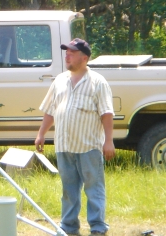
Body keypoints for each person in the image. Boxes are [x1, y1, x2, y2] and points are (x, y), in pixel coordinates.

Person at [35, 38, 115, 236]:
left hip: (88, 146)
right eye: (66, 52)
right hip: (64, 145)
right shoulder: (59, 80)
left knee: (93, 187)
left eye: (72, 53)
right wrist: (41, 134)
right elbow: (50, 110)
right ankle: (69, 226)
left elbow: (106, 113)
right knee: (69, 189)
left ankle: (97, 226)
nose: (67, 56)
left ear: (84, 57)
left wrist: (109, 141)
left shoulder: (97, 82)